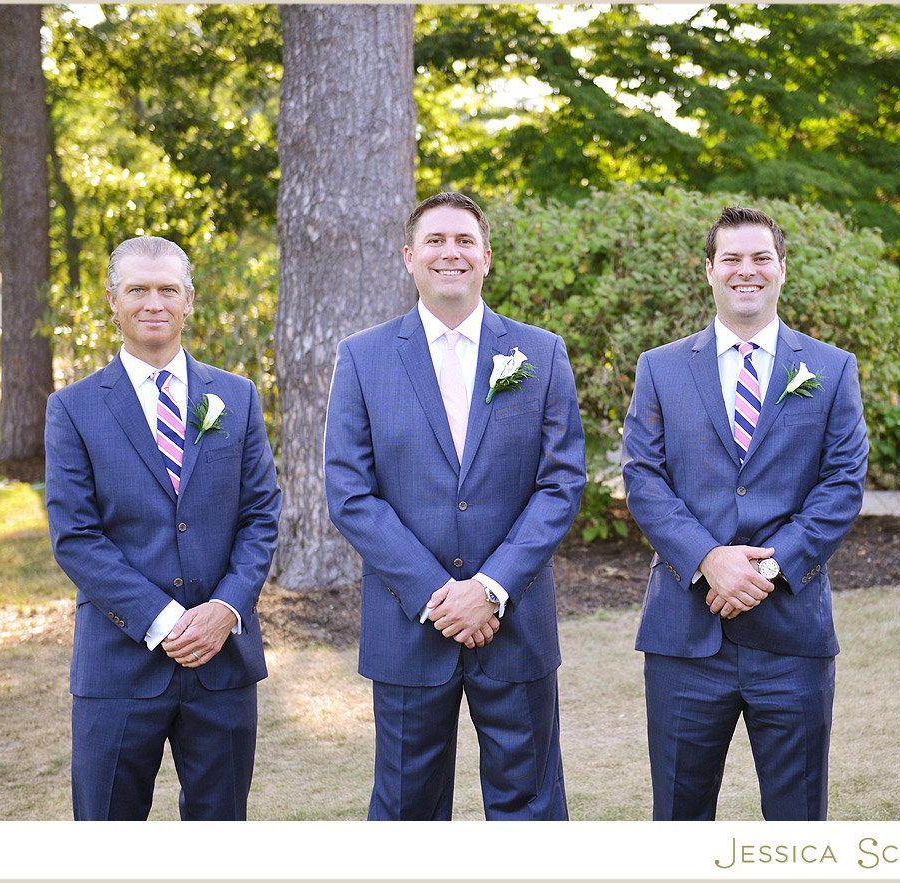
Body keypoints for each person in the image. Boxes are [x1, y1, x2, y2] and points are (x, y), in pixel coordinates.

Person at [324, 191, 586, 820]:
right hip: (408, 624)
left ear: (487, 258)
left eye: (465, 241)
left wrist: (490, 587)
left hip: (514, 622)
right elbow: (351, 493)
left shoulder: (541, 353)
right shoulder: (362, 357)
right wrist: (438, 594)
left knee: (530, 806)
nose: (451, 253)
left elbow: (561, 483)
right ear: (409, 258)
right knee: (407, 811)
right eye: (436, 242)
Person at [621, 206, 868, 820]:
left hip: (791, 632)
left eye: (761, 258)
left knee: (797, 820)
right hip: (685, 633)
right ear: (709, 270)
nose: (746, 270)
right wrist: (708, 559)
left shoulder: (831, 369)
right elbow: (644, 479)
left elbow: (842, 484)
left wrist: (765, 569)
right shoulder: (661, 367)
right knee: (680, 818)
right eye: (731, 258)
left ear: (782, 269)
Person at [45, 235, 281, 820]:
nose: (154, 302)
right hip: (120, 663)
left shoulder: (238, 396)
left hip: (222, 660)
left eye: (167, 289)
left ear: (188, 300)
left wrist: (226, 610)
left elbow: (260, 514)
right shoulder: (72, 408)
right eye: (138, 289)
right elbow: (76, 536)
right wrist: (167, 621)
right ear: (113, 301)